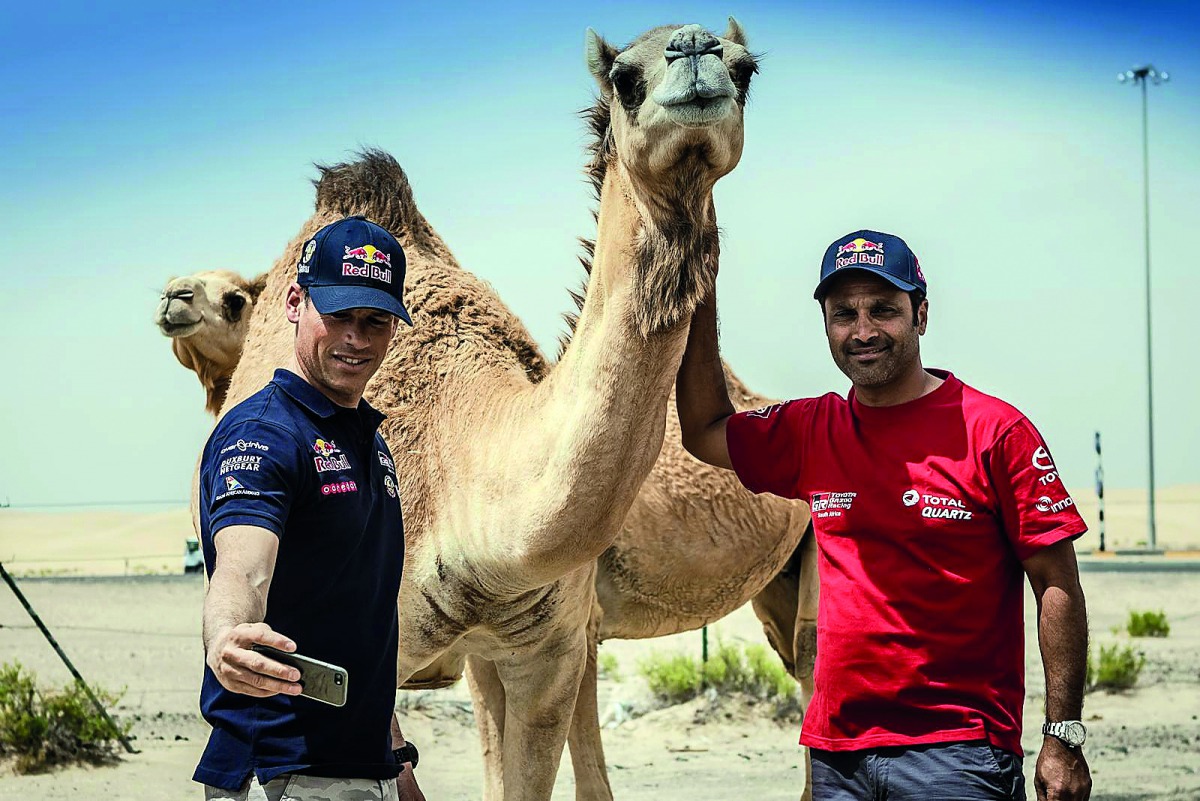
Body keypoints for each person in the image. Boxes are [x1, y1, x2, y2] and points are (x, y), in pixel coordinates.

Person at [676, 230, 1092, 801]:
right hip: (836, 757)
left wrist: (1062, 737)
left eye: (884, 310)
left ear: (921, 314)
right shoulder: (810, 430)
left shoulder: (995, 432)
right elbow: (704, 432)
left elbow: (1057, 585)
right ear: (825, 324)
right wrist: (700, 299)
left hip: (957, 754)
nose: (863, 330)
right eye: (844, 313)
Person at [194, 215, 425, 801]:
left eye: (375, 321)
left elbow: (357, 621)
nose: (357, 338)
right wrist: (228, 637)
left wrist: (397, 764)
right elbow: (244, 566)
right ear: (296, 302)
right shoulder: (265, 435)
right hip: (285, 767)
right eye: (339, 316)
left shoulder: (366, 440)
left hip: (355, 766)